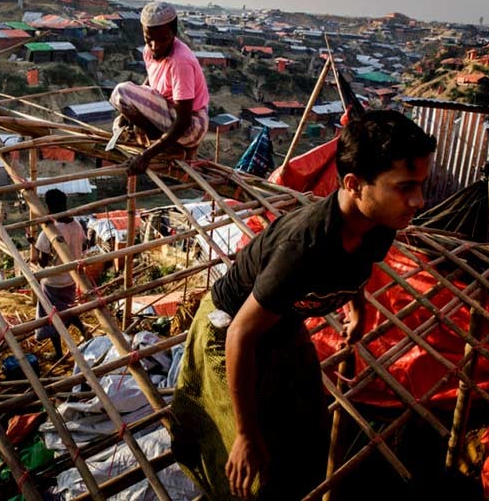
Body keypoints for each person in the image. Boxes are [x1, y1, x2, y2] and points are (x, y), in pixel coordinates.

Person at [171, 110, 437, 500]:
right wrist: (245, 435)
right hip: (229, 329)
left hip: (284, 323)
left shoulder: (379, 226)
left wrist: (356, 308)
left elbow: (357, 266)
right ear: (354, 185)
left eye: (421, 185)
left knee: (307, 428)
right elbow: (241, 335)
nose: (419, 200)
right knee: (250, 462)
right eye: (405, 187)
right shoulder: (303, 248)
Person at [108, 1, 209, 175]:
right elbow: (151, 81)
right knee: (120, 123)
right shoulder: (150, 50)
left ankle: (168, 148)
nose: (155, 46)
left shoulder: (180, 62)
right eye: (149, 39)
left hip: (191, 125)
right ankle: (168, 145)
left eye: (162, 40)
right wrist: (128, 113)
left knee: (121, 92)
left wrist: (146, 156)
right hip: (170, 113)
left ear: (174, 33)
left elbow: (184, 120)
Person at [33, 188, 90, 359]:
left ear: (48, 209)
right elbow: (83, 245)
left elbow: (42, 262)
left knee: (52, 318)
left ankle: (58, 353)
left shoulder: (48, 233)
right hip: (72, 279)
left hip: (53, 282)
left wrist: (34, 245)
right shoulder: (77, 225)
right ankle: (83, 329)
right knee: (68, 309)